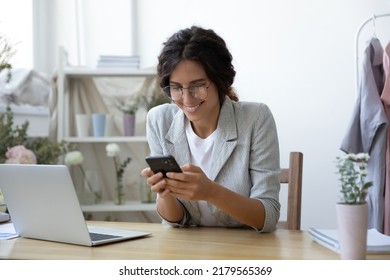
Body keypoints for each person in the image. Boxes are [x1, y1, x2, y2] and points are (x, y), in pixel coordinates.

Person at [140, 26, 280, 232]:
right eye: (177, 88)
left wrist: (211, 192)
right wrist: (164, 193)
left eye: (198, 86)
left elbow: (268, 216)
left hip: (244, 251)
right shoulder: (159, 120)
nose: (187, 99)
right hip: (188, 251)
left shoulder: (256, 118)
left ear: (220, 81)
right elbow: (174, 220)